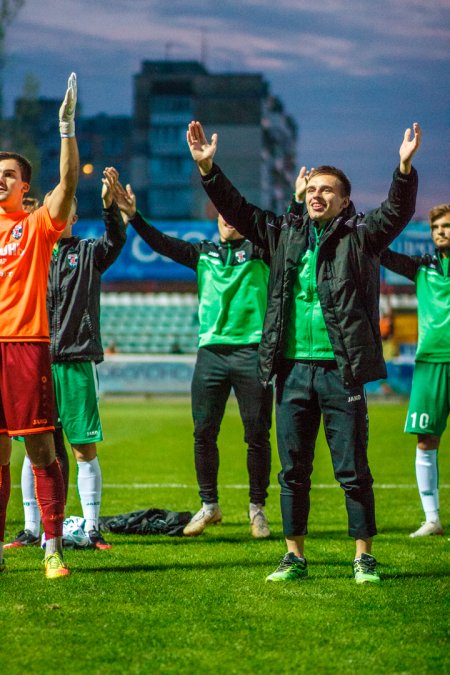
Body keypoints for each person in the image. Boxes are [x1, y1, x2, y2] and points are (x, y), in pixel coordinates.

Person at [187, 119, 421, 583]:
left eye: (327, 190)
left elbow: (397, 211)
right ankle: (293, 557)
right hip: (292, 371)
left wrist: (403, 170)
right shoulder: (283, 233)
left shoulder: (362, 235)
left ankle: (363, 558)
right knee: (293, 471)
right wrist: (209, 170)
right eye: (312, 188)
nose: (316, 195)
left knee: (353, 470)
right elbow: (238, 208)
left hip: (341, 371)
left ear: (344, 200)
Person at [114, 182, 273, 538]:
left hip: (252, 352)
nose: (229, 219)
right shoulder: (203, 253)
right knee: (203, 432)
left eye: (234, 214)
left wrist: (295, 200)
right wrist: (134, 217)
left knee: (257, 435)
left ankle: (257, 509)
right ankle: (209, 506)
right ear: (216, 220)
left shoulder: (262, 250)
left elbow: (288, 236)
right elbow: (161, 244)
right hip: (211, 354)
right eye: (223, 214)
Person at [5, 168, 127, 551]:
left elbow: (115, 241)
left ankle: (92, 528)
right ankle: (31, 529)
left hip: (75, 359)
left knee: (82, 448)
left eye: (62, 206)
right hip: (36, 358)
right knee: (35, 447)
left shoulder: (88, 252)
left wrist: (109, 208)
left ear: (72, 215)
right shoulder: (30, 253)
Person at [0, 72, 79, 579]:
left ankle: (52, 547)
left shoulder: (35, 226)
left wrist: (66, 129)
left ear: (24, 186)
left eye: (9, 174)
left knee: (41, 449)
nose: (1, 179)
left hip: (25, 345)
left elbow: (68, 185)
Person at [381, 204, 449, 537]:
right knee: (426, 439)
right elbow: (381, 252)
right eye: (436, 227)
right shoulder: (422, 267)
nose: (440, 232)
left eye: (446, 226)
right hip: (430, 362)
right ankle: (432, 519)